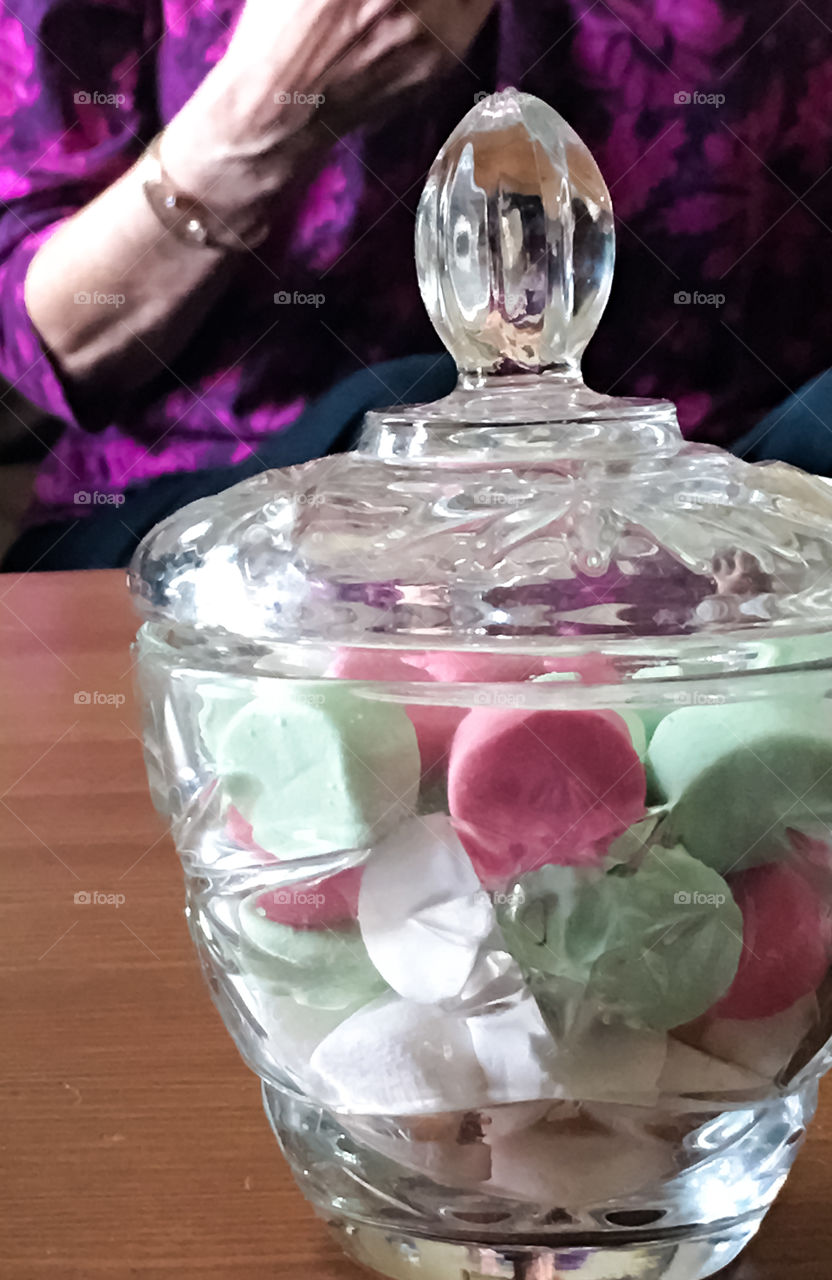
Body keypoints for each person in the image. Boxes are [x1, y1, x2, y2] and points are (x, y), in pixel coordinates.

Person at [2, 0, 832, 570]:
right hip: (225, 505)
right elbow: (36, 342)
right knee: (401, 400)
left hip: (711, 508)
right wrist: (261, 119)